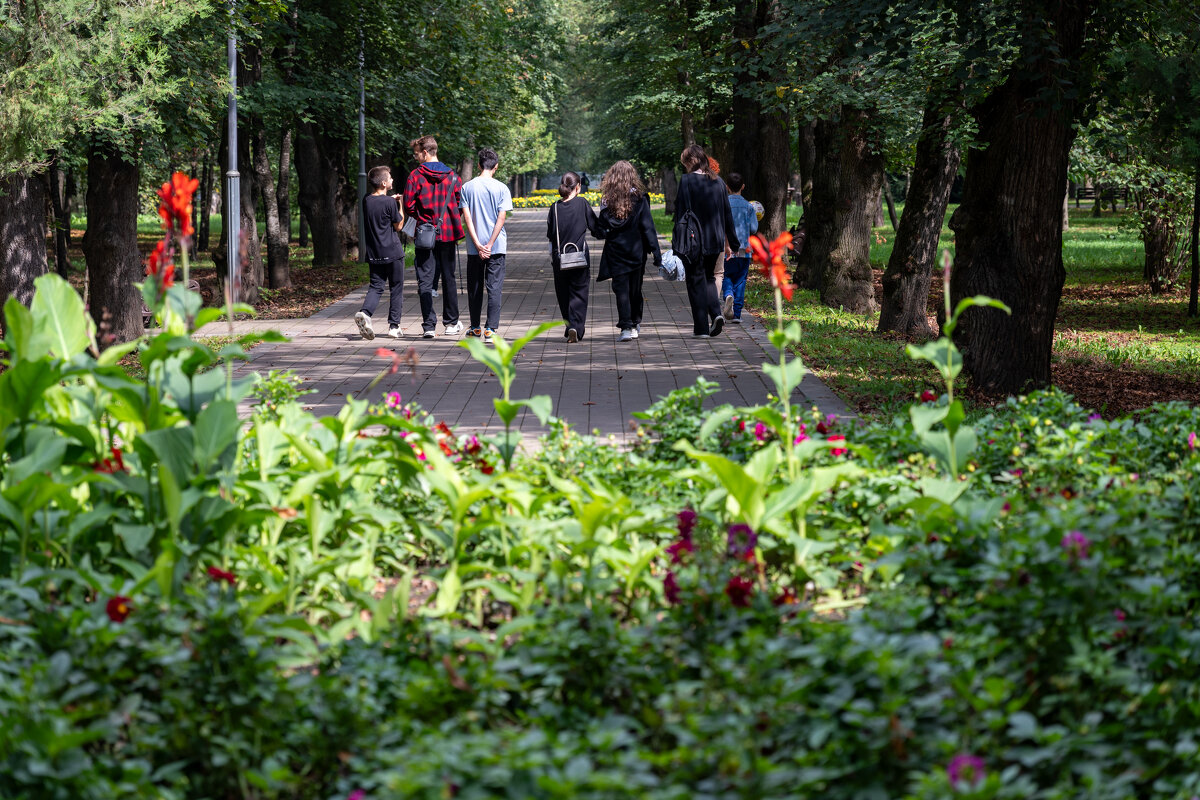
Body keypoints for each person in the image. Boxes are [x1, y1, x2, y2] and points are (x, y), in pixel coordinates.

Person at [673, 144, 739, 338]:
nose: (685, 167)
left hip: (693, 240)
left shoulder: (686, 181)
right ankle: (716, 314)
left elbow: (680, 213)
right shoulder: (718, 182)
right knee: (709, 278)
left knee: (695, 282)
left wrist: (677, 242)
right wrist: (732, 243)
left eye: (685, 162)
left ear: (691, 161)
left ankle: (701, 328)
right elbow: (727, 214)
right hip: (715, 239)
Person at [403, 135, 465, 338]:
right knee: (449, 277)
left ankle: (429, 325)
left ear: (426, 152)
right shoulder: (454, 177)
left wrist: (422, 218)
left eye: (417, 154)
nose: (416, 158)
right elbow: (459, 205)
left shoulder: (415, 176)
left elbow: (409, 205)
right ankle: (451, 323)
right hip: (447, 233)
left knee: (425, 280)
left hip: (424, 234)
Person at [595, 160, 661, 342]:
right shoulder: (640, 199)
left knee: (621, 289)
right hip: (637, 252)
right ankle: (634, 322)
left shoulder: (607, 201)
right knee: (635, 289)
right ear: (632, 177)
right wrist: (656, 253)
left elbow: (601, 230)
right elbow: (648, 227)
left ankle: (626, 326)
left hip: (615, 252)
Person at [459, 147, 513, 342]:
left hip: (474, 248)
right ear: (496, 166)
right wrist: (489, 244)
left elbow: (466, 217)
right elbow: (501, 217)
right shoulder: (502, 188)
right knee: (494, 287)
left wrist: (478, 244)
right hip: (497, 247)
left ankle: (475, 327)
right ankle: (491, 329)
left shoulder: (467, 188)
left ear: (479, 165)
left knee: (475, 287)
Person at [354, 165, 405, 340]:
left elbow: (379, 204)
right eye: (390, 178)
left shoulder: (366, 200)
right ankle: (394, 326)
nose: (392, 180)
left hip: (374, 253)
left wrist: (390, 201)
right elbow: (398, 226)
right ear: (384, 183)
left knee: (376, 286)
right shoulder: (391, 202)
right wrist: (400, 204)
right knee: (396, 288)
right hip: (393, 252)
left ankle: (365, 313)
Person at [545, 171, 598, 342]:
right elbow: (595, 228)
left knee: (563, 293)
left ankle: (569, 325)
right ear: (577, 187)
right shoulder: (582, 203)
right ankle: (576, 327)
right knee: (579, 293)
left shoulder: (554, 207)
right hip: (579, 255)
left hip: (560, 257)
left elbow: (551, 234)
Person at [721, 172, 759, 324]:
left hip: (726, 249)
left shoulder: (723, 204)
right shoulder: (748, 207)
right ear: (743, 187)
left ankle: (728, 294)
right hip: (744, 250)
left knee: (725, 275)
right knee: (741, 280)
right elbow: (754, 229)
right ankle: (737, 314)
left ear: (726, 187)